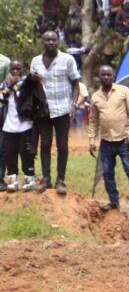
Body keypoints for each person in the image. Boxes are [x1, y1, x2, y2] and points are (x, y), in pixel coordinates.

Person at [30, 30, 80, 194]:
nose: (51, 42)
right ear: (42, 42)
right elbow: (32, 86)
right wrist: (33, 81)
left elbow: (75, 84)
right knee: (44, 144)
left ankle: (60, 180)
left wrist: (73, 104)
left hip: (63, 109)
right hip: (43, 111)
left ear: (58, 41)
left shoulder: (67, 59)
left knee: (62, 145)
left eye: (54, 39)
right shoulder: (35, 61)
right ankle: (46, 179)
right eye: (48, 40)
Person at [89, 65, 129, 211]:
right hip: (106, 141)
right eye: (103, 75)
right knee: (107, 173)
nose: (106, 77)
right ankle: (113, 201)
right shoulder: (95, 97)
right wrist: (91, 141)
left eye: (109, 75)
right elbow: (93, 121)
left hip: (125, 140)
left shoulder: (123, 91)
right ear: (99, 77)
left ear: (113, 76)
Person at [2, 61, 40, 191]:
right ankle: (12, 180)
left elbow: (29, 89)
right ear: (10, 69)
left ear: (23, 69)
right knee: (10, 154)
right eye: (13, 69)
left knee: (27, 153)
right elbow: (1, 98)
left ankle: (29, 178)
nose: (15, 71)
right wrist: (8, 85)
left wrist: (20, 83)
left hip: (25, 125)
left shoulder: (27, 82)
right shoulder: (5, 83)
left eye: (18, 68)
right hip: (9, 126)